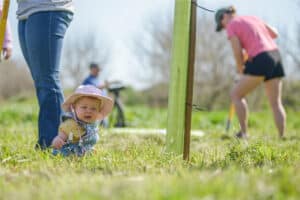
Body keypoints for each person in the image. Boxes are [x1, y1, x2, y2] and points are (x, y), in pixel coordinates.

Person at [215, 6, 286, 138]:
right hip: (275, 55)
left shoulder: (232, 25)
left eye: (222, 25)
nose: (224, 28)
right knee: (276, 103)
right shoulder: (253, 18)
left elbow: (237, 51)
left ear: (224, 17)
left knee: (236, 95)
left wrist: (241, 69)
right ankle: (282, 137)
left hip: (261, 58)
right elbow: (275, 34)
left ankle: (244, 134)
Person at [16, 0, 74, 149]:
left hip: (47, 7)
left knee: (47, 80)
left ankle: (52, 142)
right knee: (41, 82)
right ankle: (53, 139)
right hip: (25, 11)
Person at [51, 85, 113, 156]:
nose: (89, 111)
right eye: (84, 107)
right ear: (74, 108)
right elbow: (63, 134)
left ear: (98, 111)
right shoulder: (71, 124)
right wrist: (58, 139)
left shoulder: (93, 124)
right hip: (71, 151)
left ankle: (87, 152)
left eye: (93, 109)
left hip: (85, 150)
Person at [82, 62, 110, 127]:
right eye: (97, 70)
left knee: (104, 122)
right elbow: (93, 89)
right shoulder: (88, 80)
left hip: (102, 104)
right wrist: (105, 85)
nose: (98, 72)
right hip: (94, 106)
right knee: (96, 123)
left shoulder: (97, 79)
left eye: (99, 70)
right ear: (92, 69)